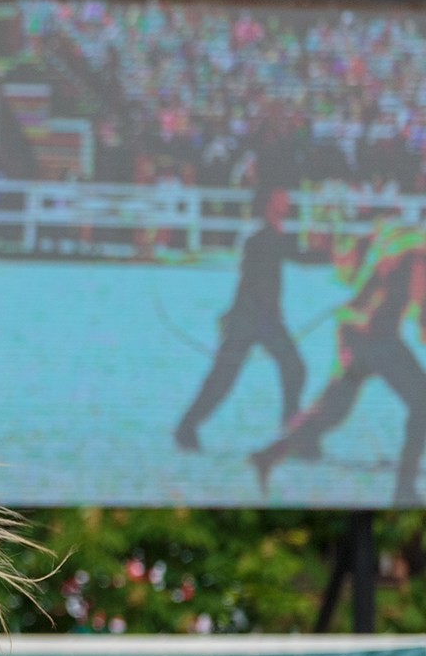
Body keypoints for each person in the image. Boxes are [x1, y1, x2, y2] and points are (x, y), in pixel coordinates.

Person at [250, 229, 426, 506]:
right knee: (422, 403)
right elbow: (421, 308)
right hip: (376, 338)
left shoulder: (407, 241)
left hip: (356, 332)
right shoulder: (419, 253)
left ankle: (269, 454)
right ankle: (404, 487)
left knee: (333, 412)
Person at [175, 190, 314, 451]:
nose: (287, 200)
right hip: (253, 319)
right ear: (270, 202)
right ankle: (187, 427)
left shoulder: (270, 232)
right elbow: (259, 276)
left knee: (287, 369)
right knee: (231, 377)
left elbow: (298, 255)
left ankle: (187, 427)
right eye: (282, 196)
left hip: (255, 318)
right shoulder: (261, 235)